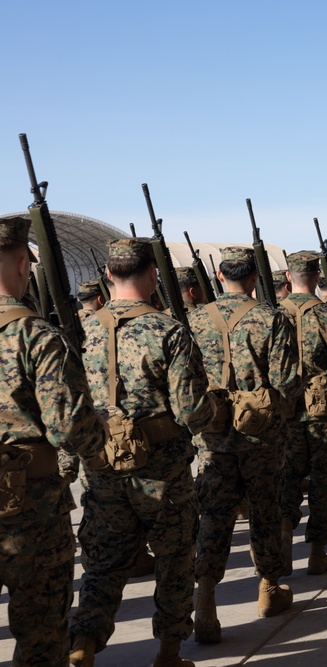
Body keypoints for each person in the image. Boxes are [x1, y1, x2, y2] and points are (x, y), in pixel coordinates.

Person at [70, 237, 216, 667]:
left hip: (101, 467)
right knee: (174, 560)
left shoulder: (82, 329)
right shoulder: (169, 330)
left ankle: (83, 642)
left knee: (104, 563)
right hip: (162, 469)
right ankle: (169, 653)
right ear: (153, 275)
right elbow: (190, 410)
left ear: (108, 277)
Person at [0, 216, 105, 666]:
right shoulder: (38, 337)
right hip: (31, 508)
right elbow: (68, 429)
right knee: (41, 636)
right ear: (24, 264)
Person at [187, 246, 299, 644]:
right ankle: (268, 589)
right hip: (261, 436)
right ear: (254, 278)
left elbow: (187, 387)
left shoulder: (194, 320)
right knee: (265, 511)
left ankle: (206, 601)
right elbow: (286, 385)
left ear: (220, 278)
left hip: (213, 439)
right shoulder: (271, 319)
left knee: (214, 516)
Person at [279, 251, 327, 575]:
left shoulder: (273, 315)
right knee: (324, 481)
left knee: (287, 479)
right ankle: (316, 552)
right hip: (323, 412)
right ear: (316, 278)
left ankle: (283, 542)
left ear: (288, 278)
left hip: (284, 413)